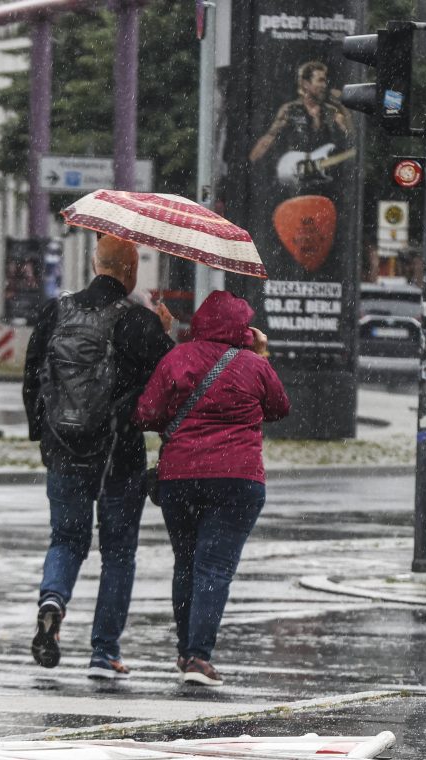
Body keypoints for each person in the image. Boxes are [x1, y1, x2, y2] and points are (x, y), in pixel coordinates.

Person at [22, 234, 175, 679]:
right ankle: (103, 652)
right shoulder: (140, 322)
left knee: (66, 540)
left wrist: (44, 436)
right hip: (119, 456)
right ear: (130, 272)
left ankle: (53, 599)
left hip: (64, 450)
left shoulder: (56, 311)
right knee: (118, 553)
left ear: (94, 263)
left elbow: (33, 376)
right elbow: (170, 382)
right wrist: (164, 334)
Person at [133, 290, 290, 687]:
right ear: (243, 328)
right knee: (214, 567)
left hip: (179, 478)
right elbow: (278, 408)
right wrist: (262, 353)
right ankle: (199, 657)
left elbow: (146, 414)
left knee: (186, 562)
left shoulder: (177, 358)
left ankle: (187, 652)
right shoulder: (254, 365)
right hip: (237, 479)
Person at [248, 60, 352, 196]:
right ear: (305, 84)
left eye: (325, 81)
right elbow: (269, 138)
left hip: (325, 186)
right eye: (320, 80)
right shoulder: (290, 110)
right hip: (296, 184)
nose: (324, 85)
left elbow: (351, 140)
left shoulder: (331, 112)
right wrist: (250, 162)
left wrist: (343, 108)